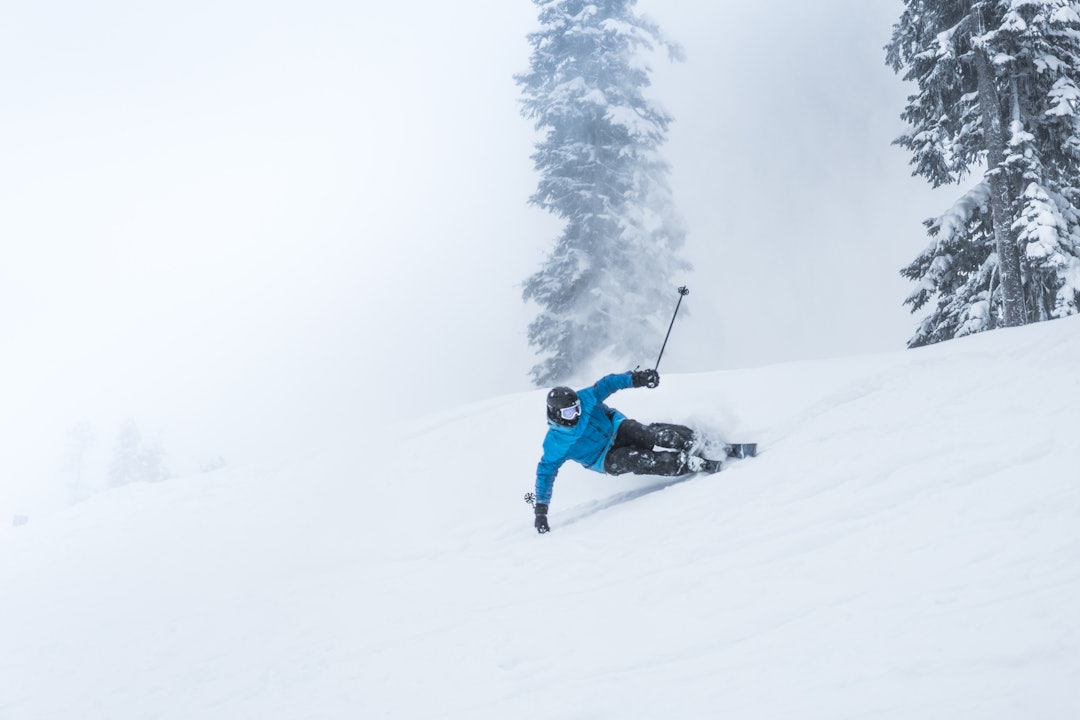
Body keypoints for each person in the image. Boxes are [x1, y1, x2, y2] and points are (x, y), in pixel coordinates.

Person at [531, 369, 722, 534]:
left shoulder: (586, 398)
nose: (577, 415)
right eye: (569, 413)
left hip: (616, 427)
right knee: (638, 460)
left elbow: (608, 384)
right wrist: (541, 511)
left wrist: (637, 378)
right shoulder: (555, 443)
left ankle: (692, 440)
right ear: (556, 414)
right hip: (603, 458)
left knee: (646, 434)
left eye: (577, 409)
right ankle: (685, 463)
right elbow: (545, 473)